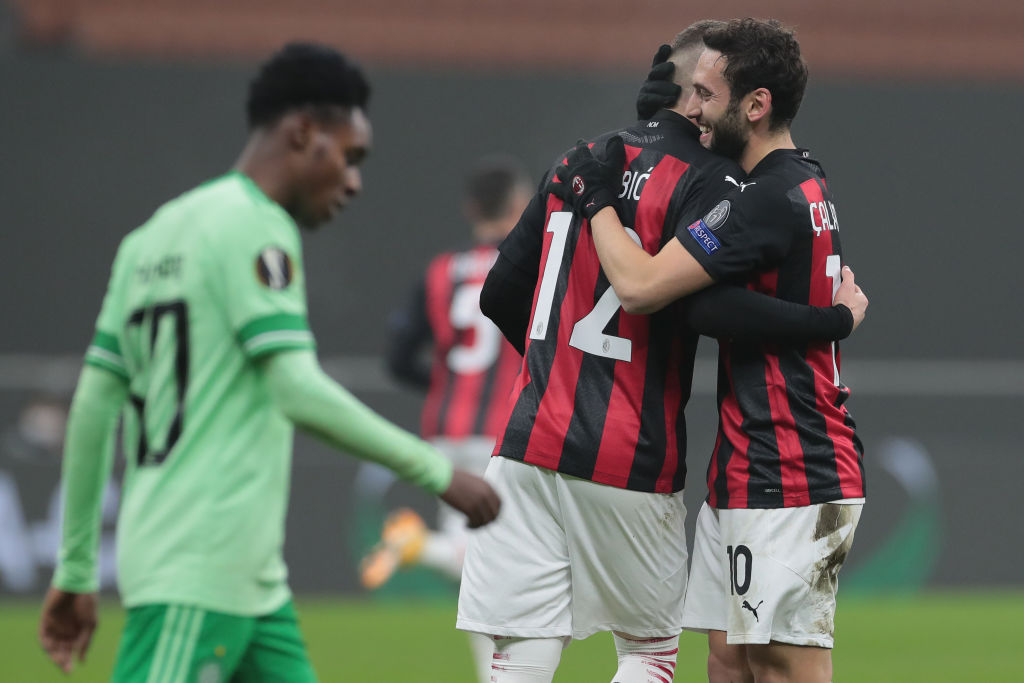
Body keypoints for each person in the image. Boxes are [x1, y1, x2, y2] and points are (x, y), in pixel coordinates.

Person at [37, 42, 500, 681]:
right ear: (303, 133)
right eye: (350, 156)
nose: (355, 181)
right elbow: (296, 389)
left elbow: (94, 402)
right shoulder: (256, 226)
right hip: (198, 569)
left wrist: (77, 566)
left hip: (250, 582)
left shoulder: (149, 237)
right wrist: (436, 472)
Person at [456, 21, 866, 683]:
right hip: (651, 452)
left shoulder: (588, 162)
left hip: (543, 438)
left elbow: (515, 290)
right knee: (680, 657)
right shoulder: (746, 182)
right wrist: (833, 318)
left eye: (710, 93)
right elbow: (692, 301)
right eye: (695, 92)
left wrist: (560, 371)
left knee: (521, 656)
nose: (698, 109)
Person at [361, 156, 531, 682]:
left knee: (477, 571)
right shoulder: (529, 264)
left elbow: (396, 358)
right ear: (517, 207)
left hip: (444, 432)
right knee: (499, 563)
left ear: (470, 209)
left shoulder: (440, 271)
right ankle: (416, 545)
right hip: (500, 432)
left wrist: (442, 387)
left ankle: (491, 674)